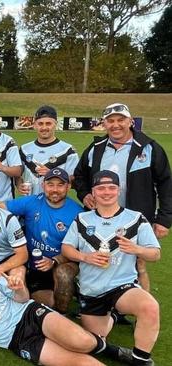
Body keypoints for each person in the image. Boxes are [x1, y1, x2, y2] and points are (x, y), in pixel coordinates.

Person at [0, 246, 132, 365]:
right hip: (15, 339)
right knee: (80, 362)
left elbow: (22, 299)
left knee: (83, 342)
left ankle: (112, 351)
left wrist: (19, 287)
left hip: (30, 313)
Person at [63, 170, 160, 366]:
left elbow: (155, 254)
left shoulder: (135, 219)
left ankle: (141, 359)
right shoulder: (82, 220)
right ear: (93, 192)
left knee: (150, 307)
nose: (106, 192)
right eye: (101, 188)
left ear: (118, 190)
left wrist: (138, 249)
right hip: (92, 289)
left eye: (111, 188)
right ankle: (115, 315)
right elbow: (66, 248)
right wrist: (85, 256)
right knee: (94, 341)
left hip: (122, 285)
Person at [73, 102, 172, 292]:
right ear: (104, 123)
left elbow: (166, 183)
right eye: (110, 121)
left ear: (130, 121)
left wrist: (164, 218)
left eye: (121, 120)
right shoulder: (96, 148)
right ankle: (101, 302)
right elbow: (79, 176)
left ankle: (140, 310)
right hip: (101, 219)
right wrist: (85, 194)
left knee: (138, 265)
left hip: (135, 219)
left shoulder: (149, 147)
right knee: (102, 261)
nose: (115, 125)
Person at [0, 168, 82, 313]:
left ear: (68, 187)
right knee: (46, 304)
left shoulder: (78, 213)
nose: (55, 190)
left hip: (62, 262)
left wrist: (54, 261)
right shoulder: (32, 202)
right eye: (50, 184)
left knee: (63, 275)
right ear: (43, 186)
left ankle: (62, 312)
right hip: (36, 266)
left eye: (60, 185)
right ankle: (55, 300)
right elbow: (1, 206)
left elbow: (80, 249)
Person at [17, 105, 78, 196]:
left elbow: (75, 180)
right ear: (34, 125)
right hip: (29, 203)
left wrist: (53, 174)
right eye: (40, 123)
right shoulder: (24, 149)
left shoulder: (68, 150)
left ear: (56, 124)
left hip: (55, 202)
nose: (44, 127)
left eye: (48, 123)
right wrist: (19, 184)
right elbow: (17, 174)